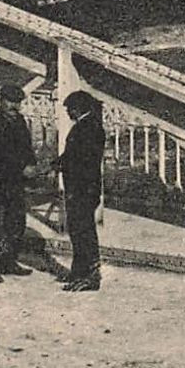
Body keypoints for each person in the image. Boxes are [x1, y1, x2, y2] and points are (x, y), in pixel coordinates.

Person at [0, 84, 38, 282]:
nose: (15, 106)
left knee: (16, 224)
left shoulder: (19, 121)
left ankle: (9, 262)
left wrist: (31, 164)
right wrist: (21, 167)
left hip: (14, 184)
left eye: (18, 102)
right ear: (1, 100)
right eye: (11, 101)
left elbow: (27, 147)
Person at [53, 90, 107, 292]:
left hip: (81, 189)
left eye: (69, 110)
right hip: (83, 188)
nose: (67, 113)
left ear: (77, 109)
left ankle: (90, 277)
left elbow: (77, 160)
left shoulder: (87, 129)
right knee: (78, 231)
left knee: (83, 232)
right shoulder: (89, 126)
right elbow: (71, 156)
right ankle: (79, 272)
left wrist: (56, 166)